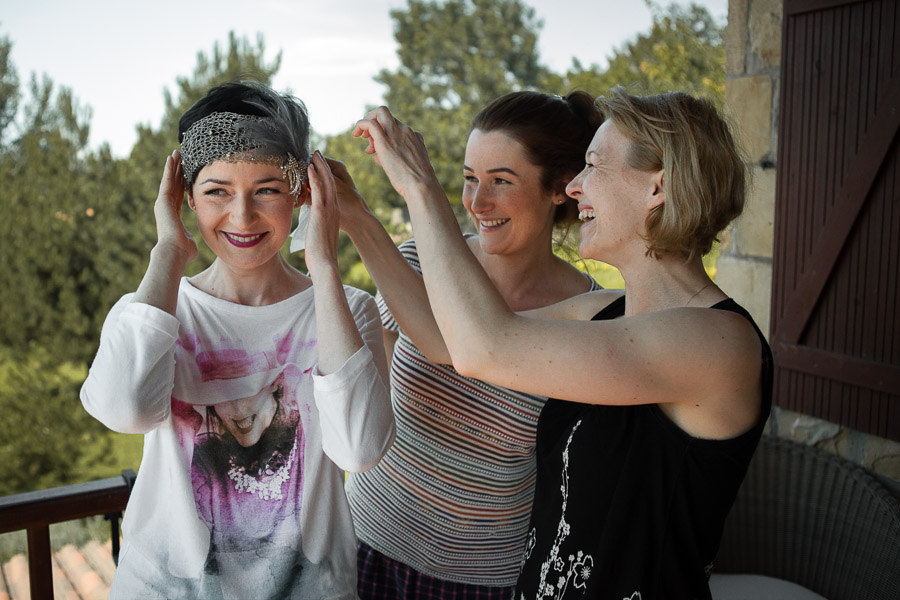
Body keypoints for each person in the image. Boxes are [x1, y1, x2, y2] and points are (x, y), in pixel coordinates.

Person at [351, 87, 773, 599]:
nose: (574, 186)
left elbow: (485, 348)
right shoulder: (605, 311)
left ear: (657, 188)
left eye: (593, 165)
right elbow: (447, 340)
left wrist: (420, 188)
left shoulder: (717, 340)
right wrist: (353, 213)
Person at [80, 81, 395, 599]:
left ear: (301, 191)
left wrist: (323, 262)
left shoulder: (348, 310)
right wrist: (167, 254)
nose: (242, 216)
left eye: (267, 189)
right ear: (185, 197)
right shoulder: (153, 309)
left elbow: (358, 450)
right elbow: (125, 411)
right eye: (217, 191)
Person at [332, 91, 603, 598]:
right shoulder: (412, 263)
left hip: (478, 580)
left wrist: (406, 195)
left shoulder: (592, 315)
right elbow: (368, 408)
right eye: (469, 177)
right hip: (365, 542)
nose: (477, 203)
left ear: (560, 188)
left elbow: (460, 349)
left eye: (501, 181)